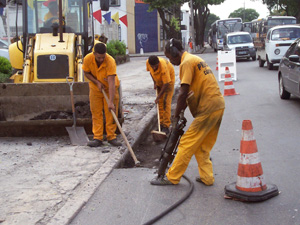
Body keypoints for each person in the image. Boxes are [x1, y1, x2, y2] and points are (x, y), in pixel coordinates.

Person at [151, 38, 225, 186]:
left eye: (170, 57)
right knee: (202, 146)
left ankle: (172, 177)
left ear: (174, 52)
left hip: (207, 108)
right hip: (218, 105)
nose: (170, 61)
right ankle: (207, 177)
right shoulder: (194, 59)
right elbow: (189, 92)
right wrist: (182, 110)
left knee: (186, 143)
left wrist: (176, 115)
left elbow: (183, 93)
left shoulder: (186, 63)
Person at [82, 42, 122, 147]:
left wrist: (111, 102)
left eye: (103, 57)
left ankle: (111, 137)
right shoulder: (87, 59)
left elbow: (111, 82)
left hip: (110, 89)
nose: (101, 59)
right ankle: (97, 137)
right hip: (95, 89)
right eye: (99, 57)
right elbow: (86, 73)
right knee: (96, 112)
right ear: (94, 54)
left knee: (111, 112)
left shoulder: (110, 61)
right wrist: (97, 82)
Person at [146, 55, 175, 134]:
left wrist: (158, 97)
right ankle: (161, 123)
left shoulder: (163, 66)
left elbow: (166, 84)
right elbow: (151, 73)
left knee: (166, 103)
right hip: (159, 81)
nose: (154, 68)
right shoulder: (148, 63)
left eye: (156, 66)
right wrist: (155, 82)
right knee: (160, 104)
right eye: (153, 67)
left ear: (158, 63)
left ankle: (166, 125)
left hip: (168, 83)